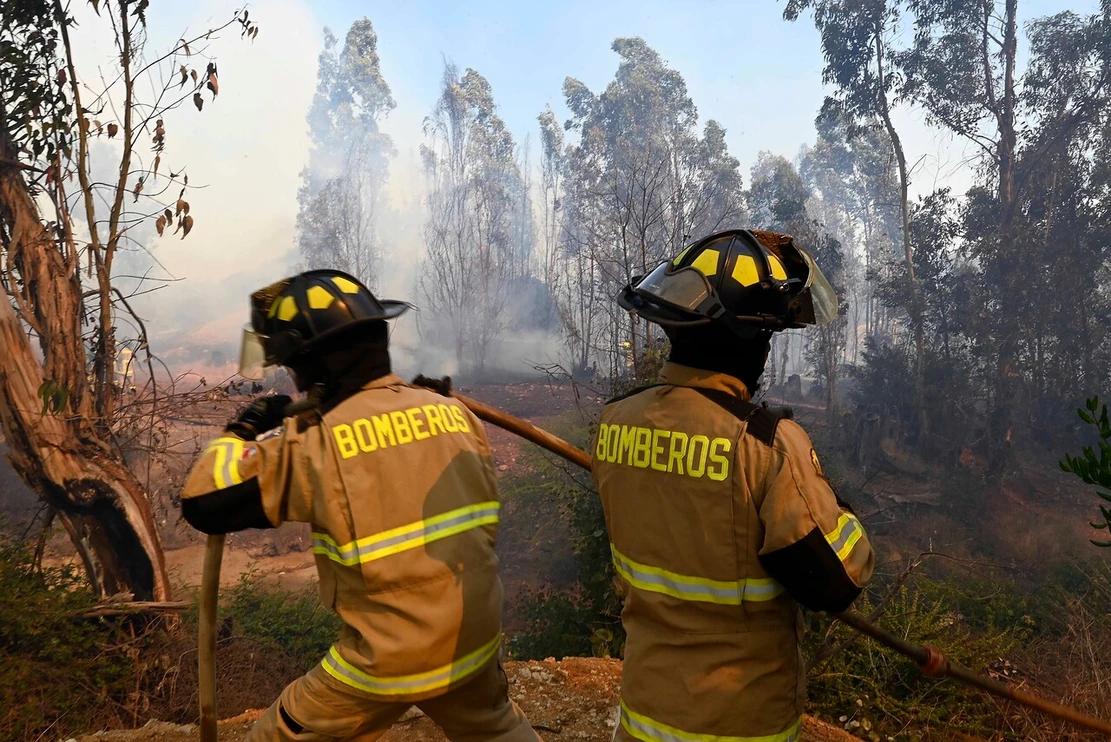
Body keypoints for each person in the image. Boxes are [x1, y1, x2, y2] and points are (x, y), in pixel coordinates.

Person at [180, 269, 540, 742]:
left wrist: (240, 432)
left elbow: (204, 503)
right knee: (495, 728)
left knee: (274, 735)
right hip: (470, 641)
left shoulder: (313, 446)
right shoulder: (454, 413)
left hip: (385, 659)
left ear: (309, 362)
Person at [592, 229, 875, 742]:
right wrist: (823, 496)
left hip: (644, 717)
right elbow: (835, 582)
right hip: (739, 725)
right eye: (766, 335)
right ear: (748, 342)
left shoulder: (615, 421)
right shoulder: (767, 445)